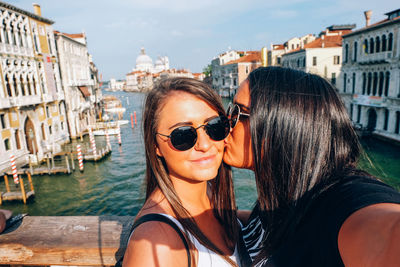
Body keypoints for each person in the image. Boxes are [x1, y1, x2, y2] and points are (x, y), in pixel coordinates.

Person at [224, 66, 400, 267]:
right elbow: (266, 225)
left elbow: (386, 233)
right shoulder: (284, 195)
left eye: (238, 112)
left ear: (284, 125)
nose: (227, 122)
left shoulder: (340, 200)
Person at [123, 77, 241, 267]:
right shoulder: (156, 241)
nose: (204, 145)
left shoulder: (211, 196)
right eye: (183, 135)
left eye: (215, 126)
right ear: (156, 146)